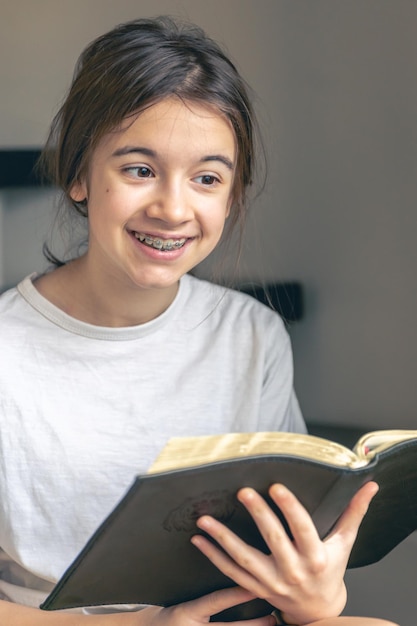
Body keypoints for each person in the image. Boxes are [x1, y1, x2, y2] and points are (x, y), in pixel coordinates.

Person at [0, 16, 398, 626]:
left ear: (231, 196)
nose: (173, 208)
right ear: (79, 175)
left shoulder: (253, 334)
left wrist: (317, 602)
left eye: (207, 178)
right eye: (139, 170)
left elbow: (280, 545)